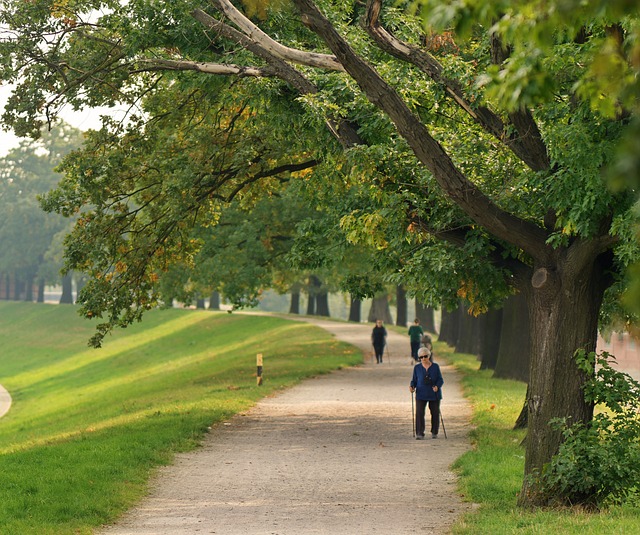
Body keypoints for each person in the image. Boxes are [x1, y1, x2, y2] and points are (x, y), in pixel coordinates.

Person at [409, 346, 444, 439]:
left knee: (435, 413)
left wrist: (437, 386)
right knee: (419, 413)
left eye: (425, 356)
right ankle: (420, 433)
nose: (423, 359)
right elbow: (414, 380)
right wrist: (412, 387)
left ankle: (434, 431)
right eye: (421, 357)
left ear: (429, 356)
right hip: (421, 393)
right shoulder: (417, 368)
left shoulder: (435, 367)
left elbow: (440, 380)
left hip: (434, 393)